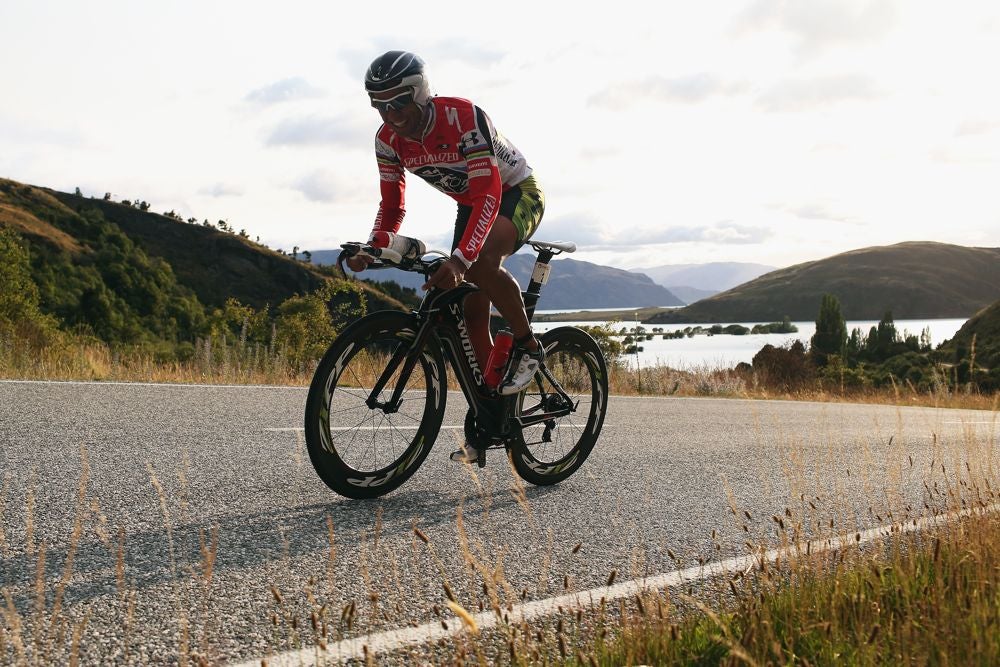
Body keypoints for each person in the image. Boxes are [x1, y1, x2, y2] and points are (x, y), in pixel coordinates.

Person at [347, 50, 545, 463]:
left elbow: (489, 191)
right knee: (471, 312)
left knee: (481, 263)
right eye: (379, 104)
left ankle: (528, 346)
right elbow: (391, 207)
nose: (391, 113)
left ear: (421, 91)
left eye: (399, 100)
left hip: (515, 193)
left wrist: (459, 260)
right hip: (470, 205)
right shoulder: (388, 140)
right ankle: (491, 412)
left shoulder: (463, 117)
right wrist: (374, 245)